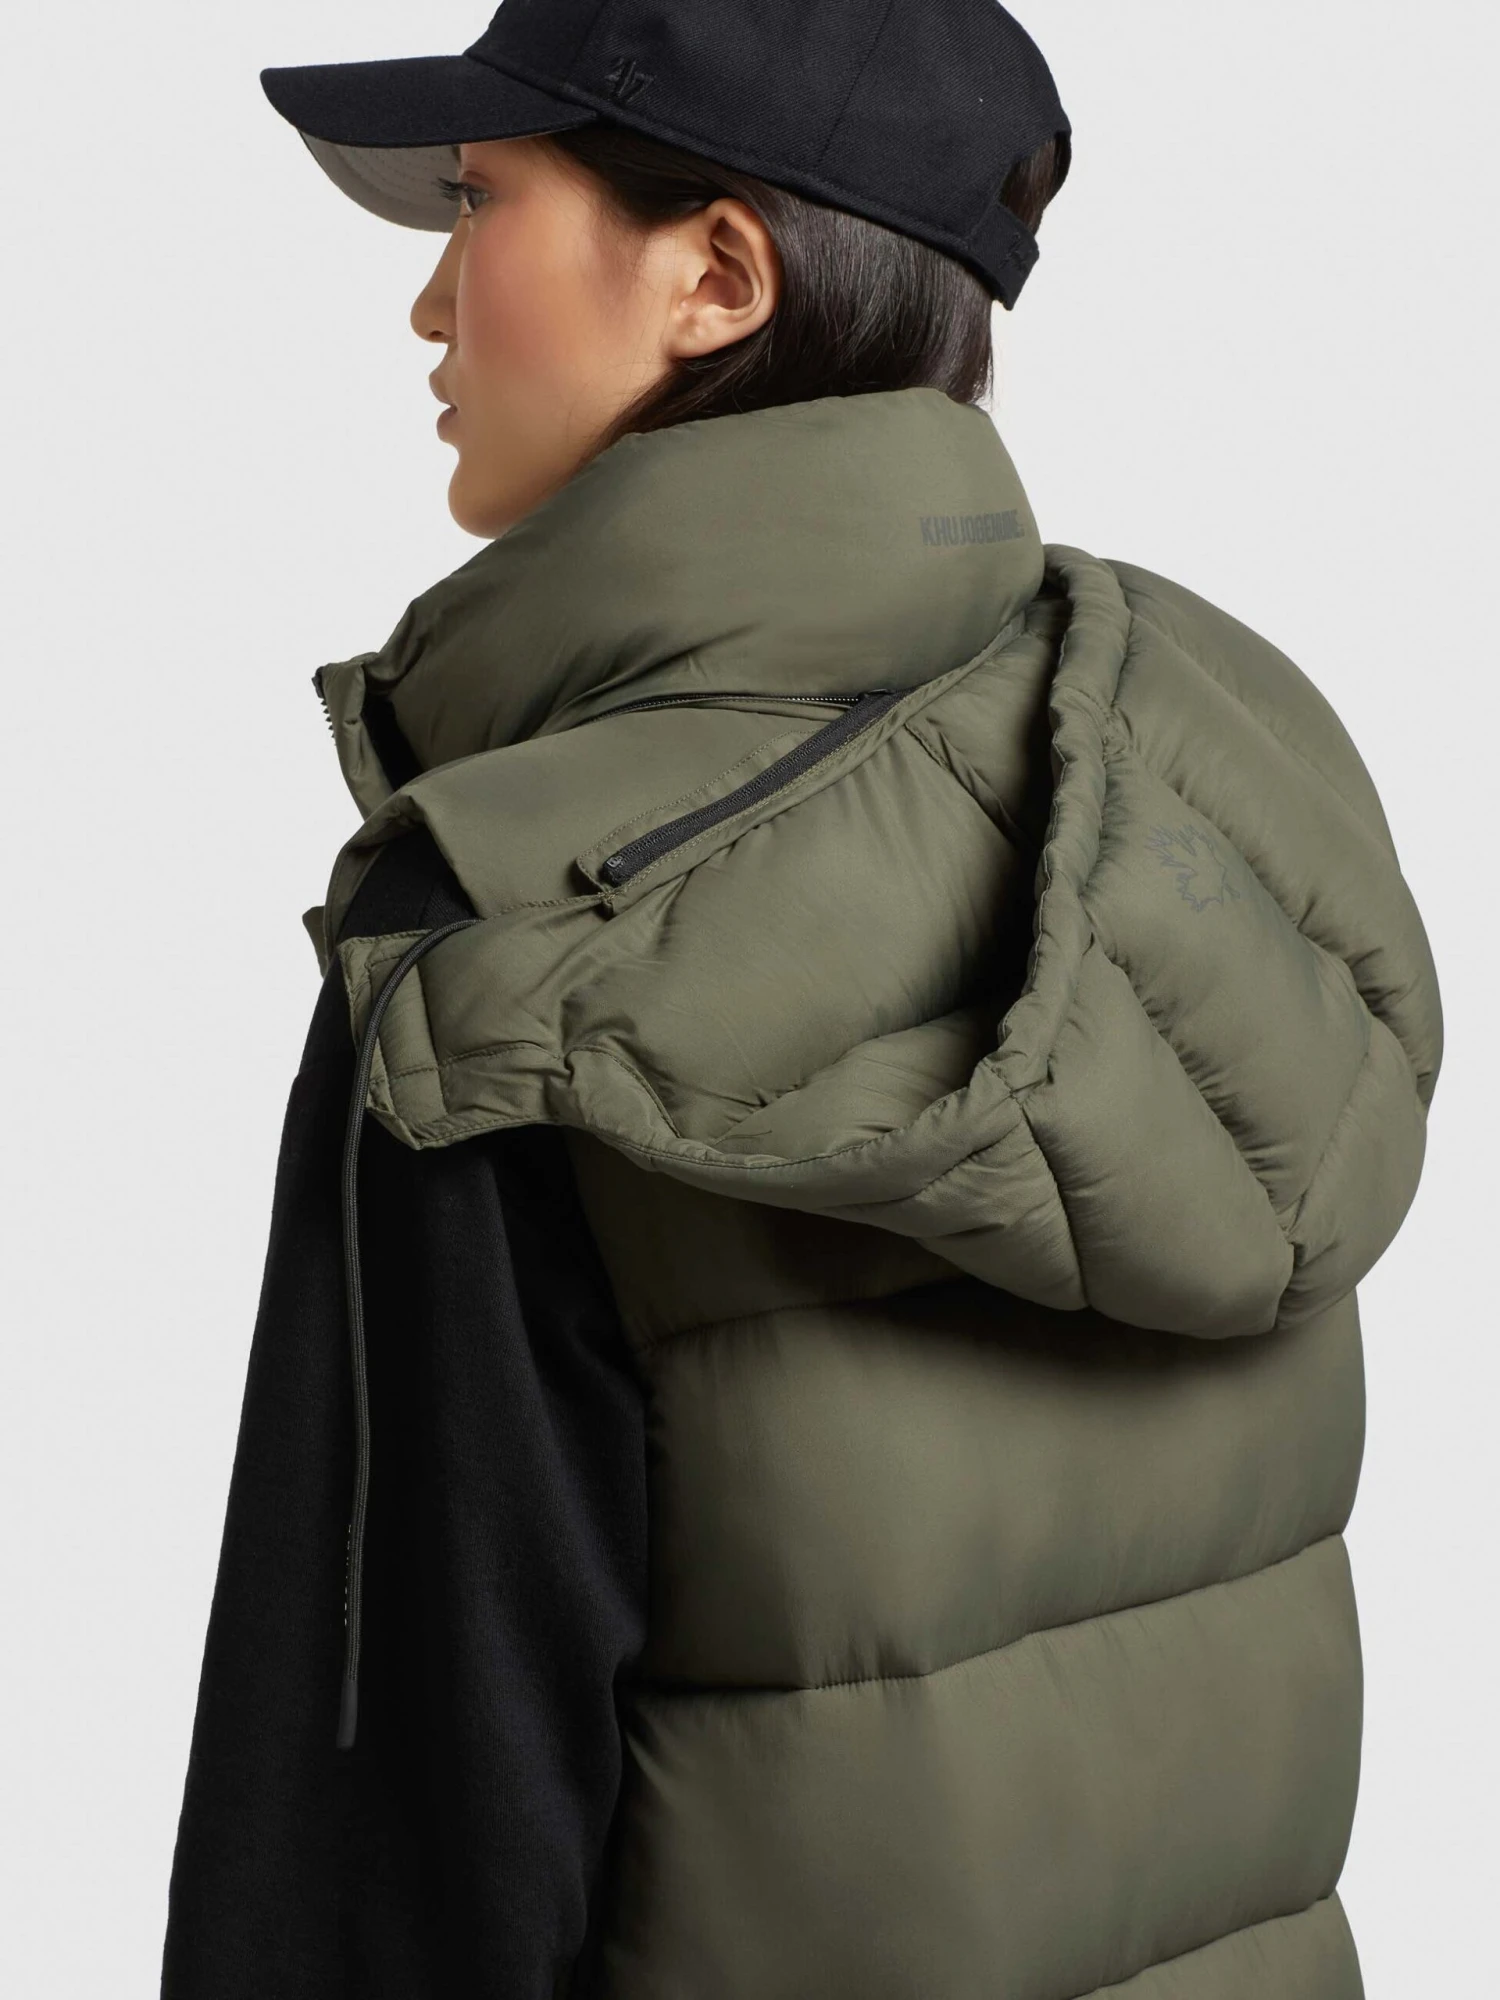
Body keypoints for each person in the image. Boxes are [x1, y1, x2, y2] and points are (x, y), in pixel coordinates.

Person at [160, 4, 1444, 1997]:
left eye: (479, 204)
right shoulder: (1201, 771)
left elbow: (394, 1862)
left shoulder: (510, 931)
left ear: (718, 277)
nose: (427, 301)